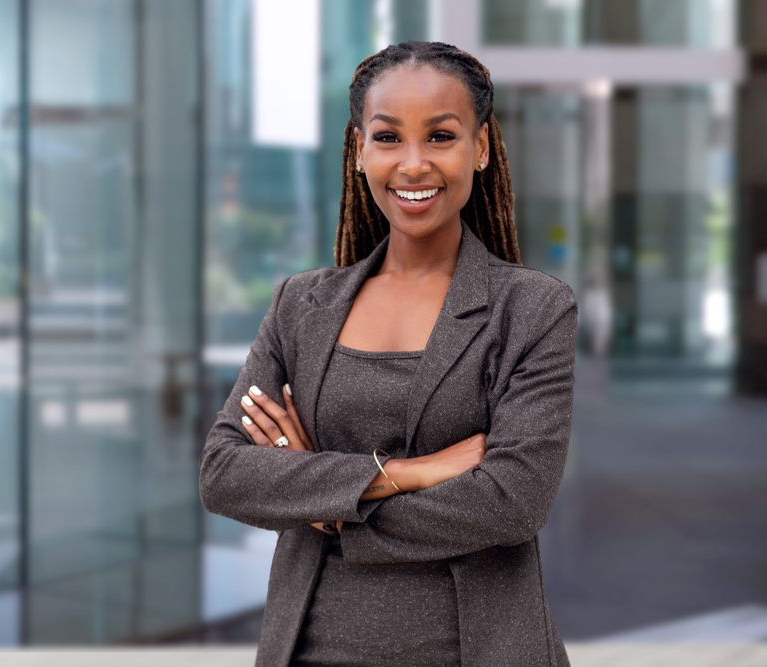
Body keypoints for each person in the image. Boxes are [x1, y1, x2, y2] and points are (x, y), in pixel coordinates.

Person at [199, 41, 577, 667]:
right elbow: (224, 473)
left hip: (474, 650)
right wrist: (405, 472)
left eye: (440, 136)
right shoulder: (301, 304)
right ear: (358, 152)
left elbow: (511, 503)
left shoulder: (531, 310)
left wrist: (326, 502)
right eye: (388, 137)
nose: (413, 164)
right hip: (308, 648)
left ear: (480, 149)